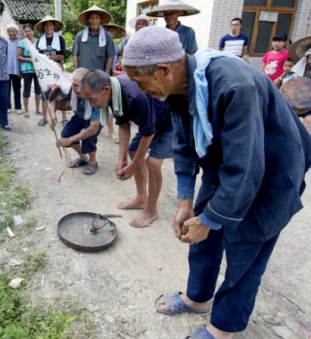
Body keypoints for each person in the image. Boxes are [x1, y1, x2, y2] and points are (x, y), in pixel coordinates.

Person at [122, 26, 311, 339]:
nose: (141, 91)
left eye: (142, 82)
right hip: (227, 164)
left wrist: (211, 219)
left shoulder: (234, 85)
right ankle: (197, 298)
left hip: (273, 174)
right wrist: (185, 202)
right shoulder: (179, 87)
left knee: (246, 253)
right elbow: (184, 145)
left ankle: (223, 328)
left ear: (163, 70)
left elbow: (247, 168)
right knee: (203, 236)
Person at [80, 70, 173, 228]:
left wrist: (133, 166)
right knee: (132, 151)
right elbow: (123, 125)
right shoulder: (113, 92)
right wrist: (122, 159)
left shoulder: (134, 96)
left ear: (105, 90)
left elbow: (148, 133)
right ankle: (141, 199)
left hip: (171, 119)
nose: (91, 104)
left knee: (153, 163)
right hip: (152, 119)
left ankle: (151, 210)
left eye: (91, 99)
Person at [72, 5, 118, 142]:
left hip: (99, 77)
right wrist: (76, 72)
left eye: (96, 18)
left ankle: (109, 130)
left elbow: (110, 57)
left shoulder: (107, 37)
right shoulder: (80, 36)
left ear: (101, 20)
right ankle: (84, 127)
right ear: (87, 20)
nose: (93, 21)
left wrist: (106, 74)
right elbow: (76, 55)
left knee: (103, 102)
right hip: (83, 77)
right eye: (91, 18)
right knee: (81, 101)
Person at [49, 68, 103, 175]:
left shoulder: (95, 95)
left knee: (89, 137)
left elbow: (93, 128)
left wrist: (70, 140)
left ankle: (93, 162)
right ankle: (84, 158)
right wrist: (53, 115)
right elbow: (53, 99)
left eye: (81, 86)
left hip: (93, 120)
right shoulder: (68, 88)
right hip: (79, 117)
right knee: (66, 134)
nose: (78, 90)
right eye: (75, 85)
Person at [34, 15, 67, 127]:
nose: (48, 27)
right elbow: (37, 57)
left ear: (54, 27)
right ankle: (44, 118)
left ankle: (64, 118)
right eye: (46, 25)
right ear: (44, 28)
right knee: (44, 94)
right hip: (44, 71)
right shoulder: (39, 41)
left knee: (61, 93)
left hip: (57, 70)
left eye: (50, 25)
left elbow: (62, 56)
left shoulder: (60, 40)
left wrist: (46, 58)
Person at [18, 24, 42, 117]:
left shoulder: (39, 42)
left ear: (33, 31)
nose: (28, 33)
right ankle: (26, 110)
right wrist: (30, 60)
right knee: (26, 89)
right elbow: (19, 56)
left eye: (29, 31)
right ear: (23, 33)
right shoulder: (22, 42)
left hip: (37, 68)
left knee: (38, 90)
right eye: (26, 31)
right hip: (26, 69)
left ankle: (37, 109)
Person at [6, 23, 22, 115]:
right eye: (9, 31)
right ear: (7, 32)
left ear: (16, 32)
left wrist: (21, 71)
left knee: (17, 89)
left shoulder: (20, 43)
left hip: (17, 70)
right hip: (6, 70)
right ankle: (8, 107)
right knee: (7, 90)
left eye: (13, 31)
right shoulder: (5, 42)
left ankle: (18, 107)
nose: (11, 33)